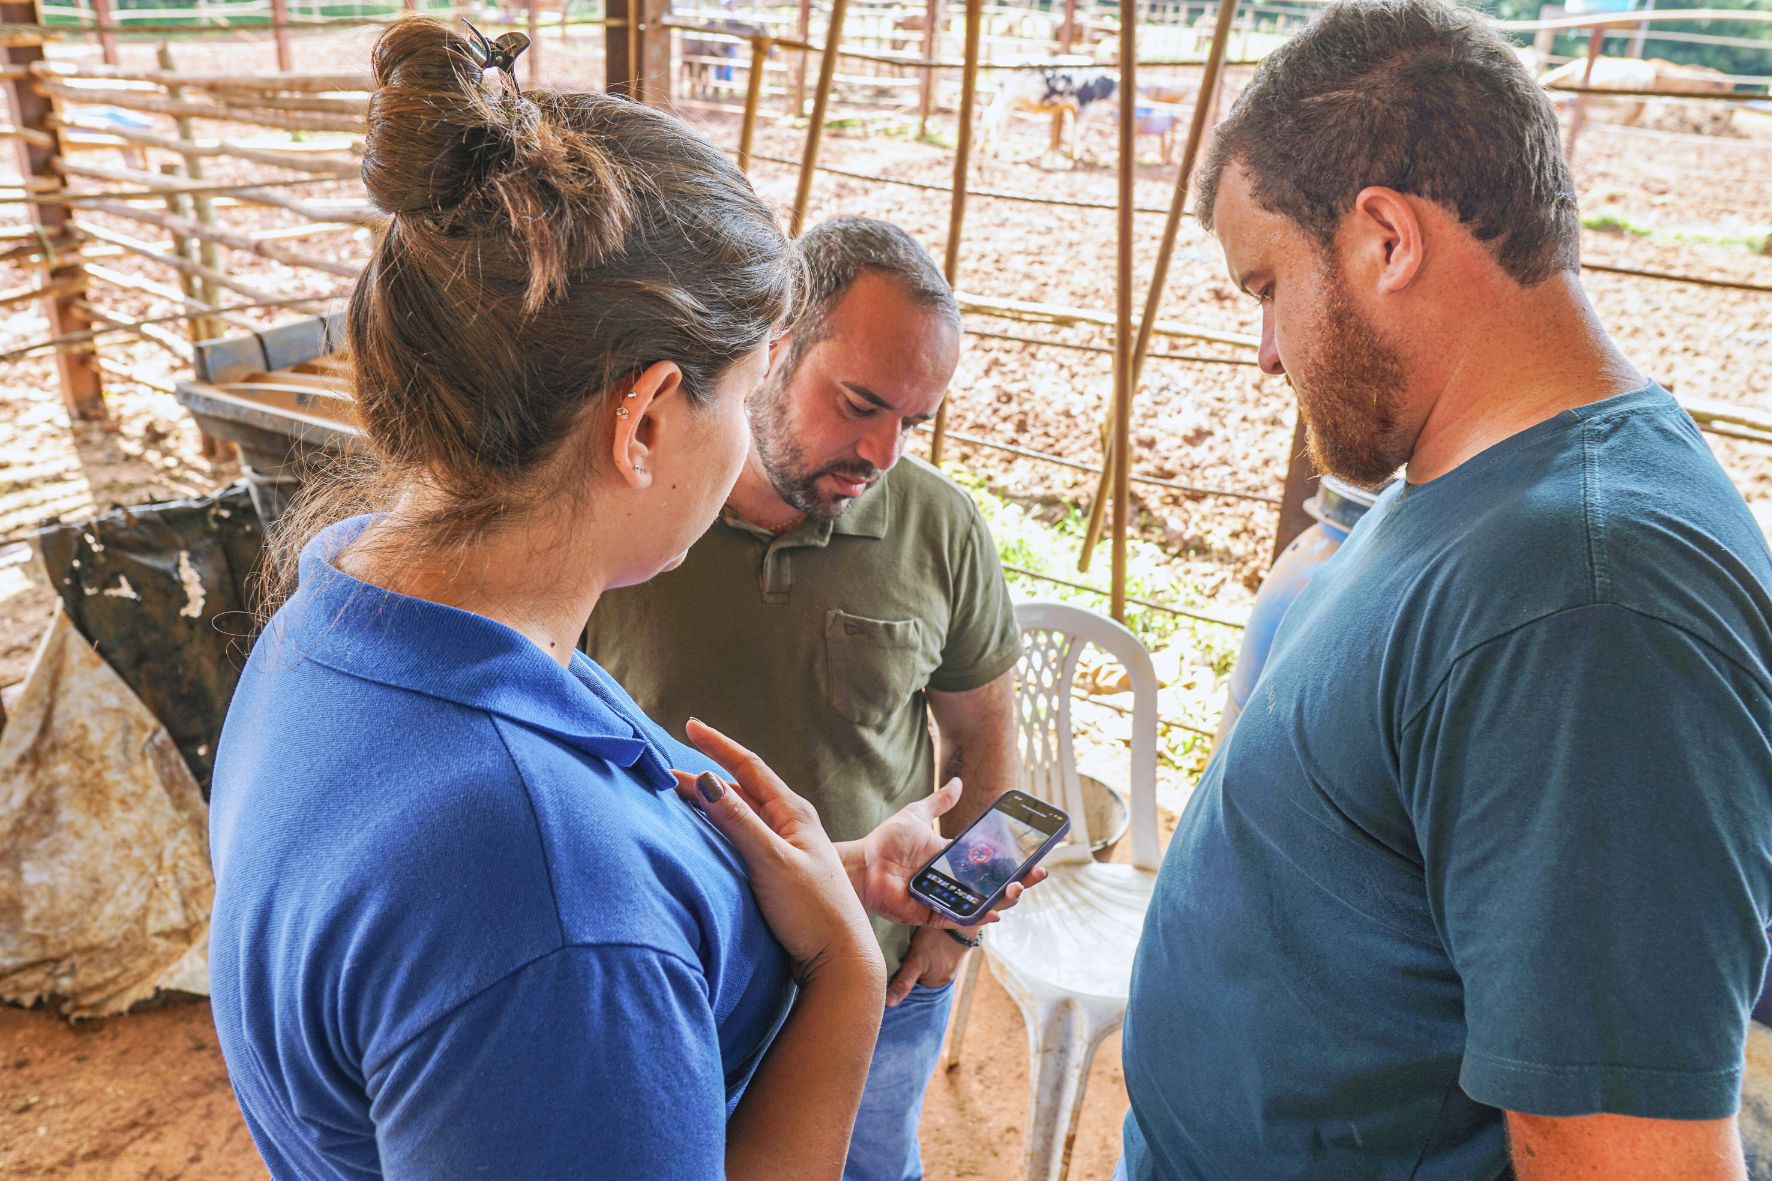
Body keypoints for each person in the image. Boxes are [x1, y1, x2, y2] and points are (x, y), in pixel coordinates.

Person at [205, 21, 1036, 1181]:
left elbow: (638, 910)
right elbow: (587, 932)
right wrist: (846, 973)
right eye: (746, 391)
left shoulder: (344, 616)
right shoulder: (546, 903)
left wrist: (842, 875)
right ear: (644, 421)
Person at [1119, 1, 1772, 1178]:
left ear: (1382, 240)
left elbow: (1620, 1155)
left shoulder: (1584, 603)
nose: (1263, 348)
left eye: (1264, 283)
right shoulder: (1474, 485)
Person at [585, 216, 1024, 1181]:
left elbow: (985, 730)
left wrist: (954, 924)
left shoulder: (941, 527)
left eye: (913, 421)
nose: (881, 451)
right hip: (676, 970)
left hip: (882, 970)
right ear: (771, 346)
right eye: (860, 402)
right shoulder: (635, 514)